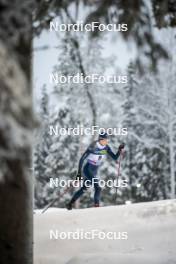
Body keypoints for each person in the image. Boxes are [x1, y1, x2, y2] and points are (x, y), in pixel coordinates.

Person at [66, 132, 125, 210]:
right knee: (98, 188)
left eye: (107, 140)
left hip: (94, 170)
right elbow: (82, 159)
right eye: (105, 140)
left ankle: (70, 204)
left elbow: (114, 157)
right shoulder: (93, 146)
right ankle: (97, 208)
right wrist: (79, 174)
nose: (106, 142)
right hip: (87, 169)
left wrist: (119, 150)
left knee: (84, 188)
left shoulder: (106, 147)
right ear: (100, 139)